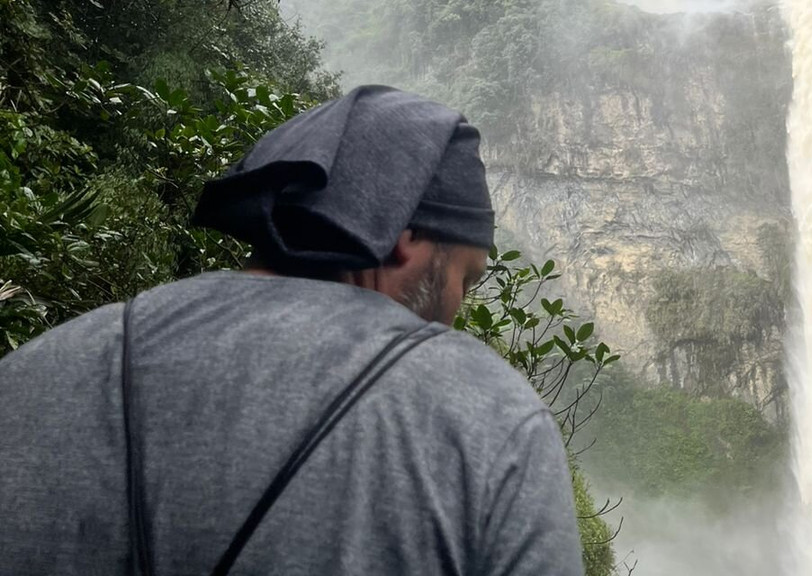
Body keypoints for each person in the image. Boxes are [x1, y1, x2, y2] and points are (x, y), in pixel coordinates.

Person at [0, 86, 586, 576]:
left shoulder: (34, 373)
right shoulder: (490, 423)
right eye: (466, 277)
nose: (459, 305)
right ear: (407, 240)